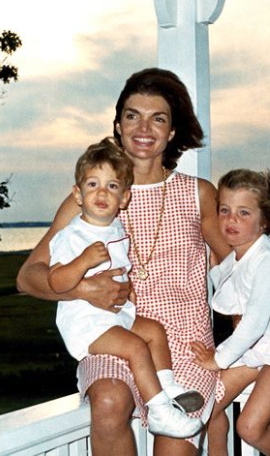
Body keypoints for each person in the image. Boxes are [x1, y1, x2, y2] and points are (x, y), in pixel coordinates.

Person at [17, 68, 230, 456]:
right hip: (114, 331)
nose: (144, 127)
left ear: (172, 132)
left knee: (177, 442)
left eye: (158, 118)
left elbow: (235, 271)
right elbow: (28, 277)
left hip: (183, 344)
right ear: (118, 125)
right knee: (110, 400)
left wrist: (244, 352)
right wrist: (84, 289)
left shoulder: (197, 194)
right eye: (133, 115)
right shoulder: (91, 196)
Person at [48, 137, 203, 438]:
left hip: (114, 316)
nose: (102, 193)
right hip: (86, 324)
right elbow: (56, 282)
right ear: (77, 194)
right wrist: (81, 262)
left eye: (112, 187)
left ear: (125, 198)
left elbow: (116, 268)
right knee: (135, 347)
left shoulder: (115, 227)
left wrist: (126, 285)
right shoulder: (73, 236)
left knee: (154, 331)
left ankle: (168, 388)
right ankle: (159, 412)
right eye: (92, 185)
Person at [191, 169, 270, 456]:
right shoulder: (241, 256)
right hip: (260, 348)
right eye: (224, 210)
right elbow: (230, 298)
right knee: (206, 406)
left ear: (264, 221)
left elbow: (255, 323)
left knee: (250, 426)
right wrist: (217, 266)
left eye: (244, 213)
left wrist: (218, 359)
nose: (231, 219)